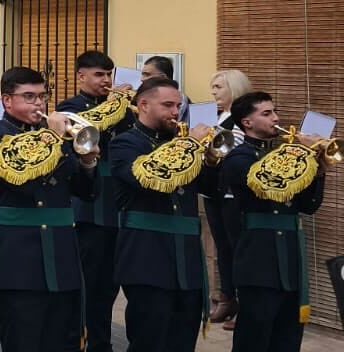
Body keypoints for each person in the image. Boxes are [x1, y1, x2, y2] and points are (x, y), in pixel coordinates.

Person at [0, 67, 99, 352]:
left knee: (62, 341)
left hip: (61, 257)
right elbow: (23, 183)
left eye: (42, 96)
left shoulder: (59, 137)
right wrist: (53, 140)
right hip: (17, 260)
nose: (38, 104)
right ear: (7, 101)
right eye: (29, 97)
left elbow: (87, 193)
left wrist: (88, 163)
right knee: (23, 341)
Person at [110, 78, 220, 352]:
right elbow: (148, 179)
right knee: (150, 340)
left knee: (183, 341)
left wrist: (211, 160)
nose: (175, 112)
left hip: (187, 259)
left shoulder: (183, 144)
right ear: (144, 104)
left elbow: (209, 188)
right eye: (168, 105)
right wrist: (190, 146)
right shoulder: (125, 143)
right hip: (146, 258)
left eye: (178, 105)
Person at [224, 91, 329, 352]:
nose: (276, 118)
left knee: (288, 338)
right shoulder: (238, 158)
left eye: (275, 112)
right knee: (255, 338)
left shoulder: (284, 155)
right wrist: (300, 152)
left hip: (291, 259)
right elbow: (267, 185)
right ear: (247, 122)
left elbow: (308, 206)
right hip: (258, 261)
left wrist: (318, 169)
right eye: (266, 113)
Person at [55, 50, 134, 352]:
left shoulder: (125, 109)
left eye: (109, 75)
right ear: (81, 76)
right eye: (99, 75)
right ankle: (76, 340)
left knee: (109, 288)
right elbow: (87, 127)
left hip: (119, 207)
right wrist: (117, 103)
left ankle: (100, 343)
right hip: (88, 208)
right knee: (87, 283)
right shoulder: (70, 108)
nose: (106, 81)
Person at [207, 68, 253, 330]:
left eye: (218, 87)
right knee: (223, 248)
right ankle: (227, 297)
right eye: (212, 88)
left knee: (237, 248)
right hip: (214, 191)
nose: (213, 93)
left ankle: (244, 303)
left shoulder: (240, 119)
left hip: (232, 194)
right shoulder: (216, 116)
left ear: (234, 88)